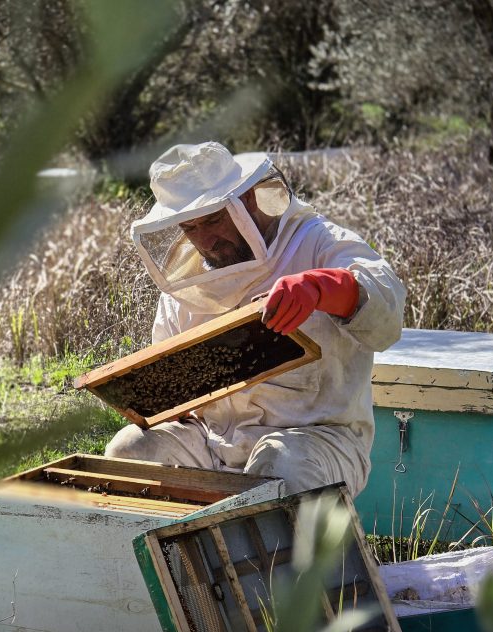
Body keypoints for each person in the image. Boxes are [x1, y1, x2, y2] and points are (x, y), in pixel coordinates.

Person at [104, 142, 405, 495]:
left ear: (246, 200)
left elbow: (388, 313)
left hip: (318, 439)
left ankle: (304, 551)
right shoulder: (187, 284)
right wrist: (162, 405)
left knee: (278, 466)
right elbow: (172, 388)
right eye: (190, 227)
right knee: (128, 451)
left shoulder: (315, 241)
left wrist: (320, 287)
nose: (206, 240)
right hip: (212, 440)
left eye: (214, 219)